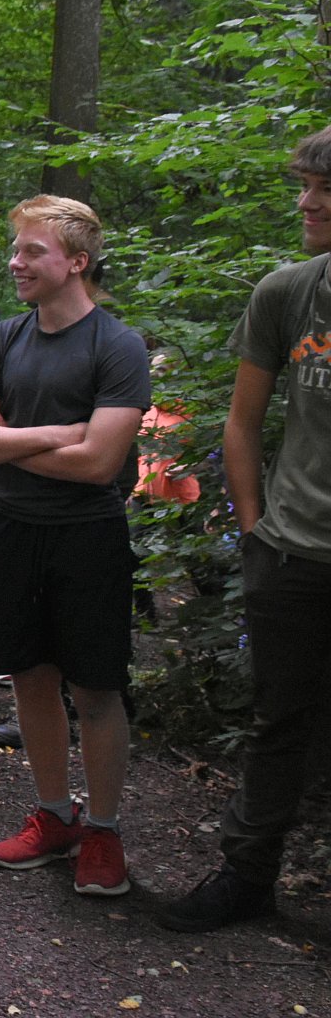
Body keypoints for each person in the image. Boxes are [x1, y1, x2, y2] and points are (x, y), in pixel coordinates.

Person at [0, 195, 150, 898]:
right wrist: (58, 434)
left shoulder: (116, 346)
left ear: (77, 261)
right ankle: (55, 816)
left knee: (95, 687)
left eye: (32, 251)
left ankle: (103, 830)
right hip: (14, 530)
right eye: (16, 249)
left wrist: (7, 439)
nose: (15, 262)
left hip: (88, 536)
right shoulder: (4, 340)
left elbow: (100, 464)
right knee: (30, 677)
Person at [159, 131, 331, 931]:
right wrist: (256, 533)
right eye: (305, 185)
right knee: (278, 720)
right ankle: (248, 874)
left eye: (324, 190)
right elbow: (242, 422)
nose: (306, 202)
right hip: (293, 552)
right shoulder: (289, 292)